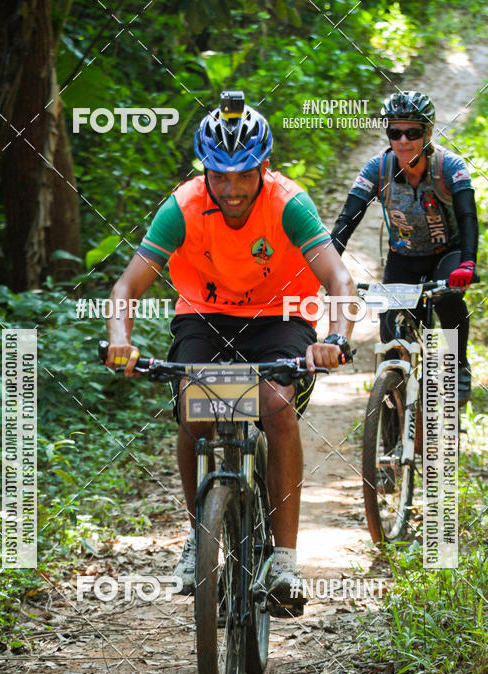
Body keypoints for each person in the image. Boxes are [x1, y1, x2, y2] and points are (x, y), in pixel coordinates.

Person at [105, 90, 357, 616]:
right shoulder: (184, 207)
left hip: (278, 316)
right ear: (205, 172)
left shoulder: (288, 203)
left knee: (275, 405)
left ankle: (285, 559)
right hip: (204, 315)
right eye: (219, 175)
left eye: (244, 174)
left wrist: (332, 338)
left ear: (263, 167)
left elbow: (337, 278)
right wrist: (121, 339)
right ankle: (199, 538)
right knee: (196, 415)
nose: (232, 188)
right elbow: (127, 287)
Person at [330, 90, 478, 403]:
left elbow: (467, 217)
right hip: (404, 257)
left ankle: (458, 365)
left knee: (449, 300)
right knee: (390, 331)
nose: (403, 141)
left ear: (427, 133)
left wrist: (467, 263)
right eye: (395, 132)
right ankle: (391, 415)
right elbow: (346, 221)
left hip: (445, 255)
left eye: (412, 133)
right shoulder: (378, 169)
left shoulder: (448, 167)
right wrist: (327, 267)